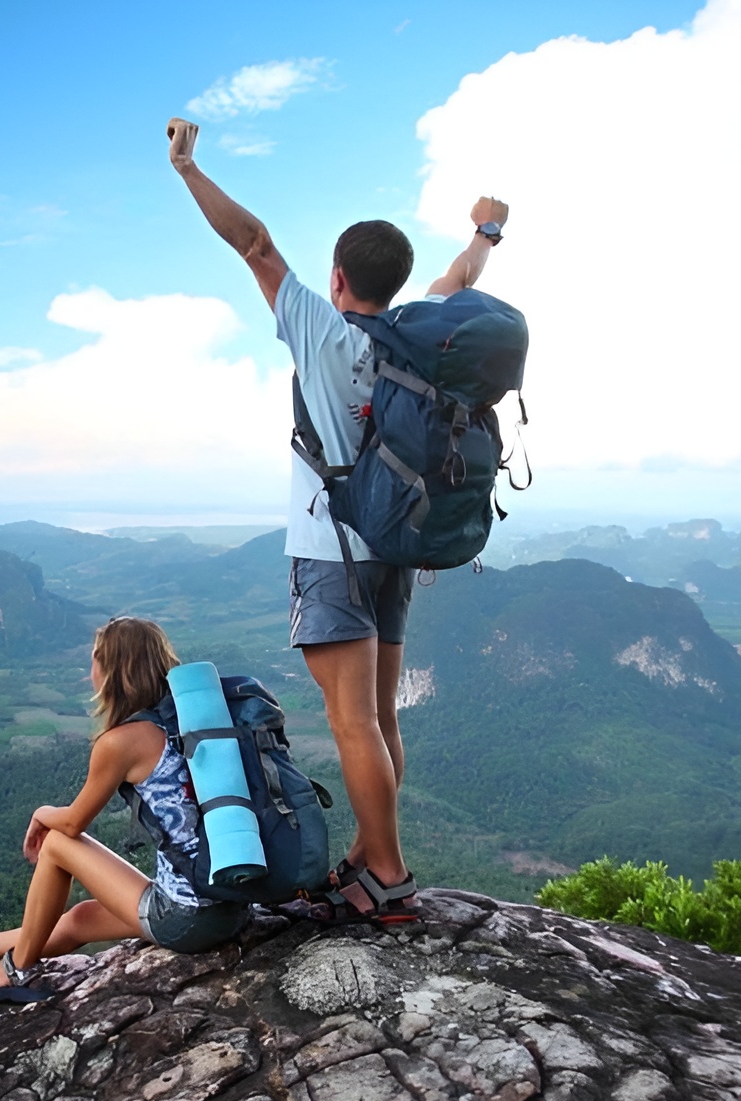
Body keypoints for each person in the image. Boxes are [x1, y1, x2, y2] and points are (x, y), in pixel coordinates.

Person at [166, 115, 511, 924]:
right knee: (381, 717)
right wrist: (487, 232)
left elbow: (252, 241)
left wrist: (187, 168)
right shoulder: (414, 339)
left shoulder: (322, 331)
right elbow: (459, 281)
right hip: (396, 545)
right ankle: (370, 848)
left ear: (336, 275)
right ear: (397, 280)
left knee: (350, 721)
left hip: (333, 553)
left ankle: (386, 875)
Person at [0, 617, 250, 1002]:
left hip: (189, 918)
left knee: (55, 844)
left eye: (94, 662)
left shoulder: (122, 741)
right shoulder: (196, 724)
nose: (90, 673)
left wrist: (41, 812)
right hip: (233, 906)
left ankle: (13, 972)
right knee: (80, 919)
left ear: (113, 671)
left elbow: (72, 822)